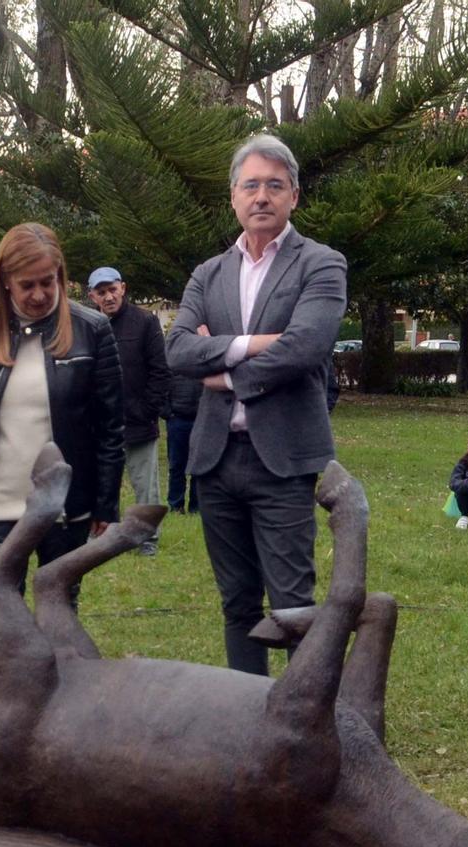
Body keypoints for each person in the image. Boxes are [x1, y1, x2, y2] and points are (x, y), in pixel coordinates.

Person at [165, 134, 348, 675]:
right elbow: (177, 348)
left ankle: (304, 724)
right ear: (233, 197)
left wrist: (222, 373)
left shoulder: (322, 264)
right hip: (216, 460)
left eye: (275, 185)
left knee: (293, 604)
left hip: (284, 462)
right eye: (251, 185)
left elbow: (307, 347)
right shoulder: (208, 273)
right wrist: (256, 344)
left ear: (294, 195)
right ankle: (248, 722)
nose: (262, 196)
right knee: (237, 603)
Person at [0, 224, 124, 598]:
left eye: (49, 282)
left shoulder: (92, 330)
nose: (40, 295)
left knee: (59, 612)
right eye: (28, 285)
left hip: (65, 504)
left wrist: (105, 502)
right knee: (2, 615)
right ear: (5, 281)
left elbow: (110, 425)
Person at [87, 266, 170, 556]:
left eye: (112, 289)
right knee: (98, 482)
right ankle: (99, 535)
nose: (108, 296)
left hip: (138, 421)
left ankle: (148, 538)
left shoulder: (145, 322)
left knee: (145, 486)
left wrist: (148, 410)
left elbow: (160, 371)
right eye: (101, 292)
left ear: (123, 288)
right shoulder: (88, 325)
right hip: (98, 423)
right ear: (92, 296)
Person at [166, 367, 201, 514]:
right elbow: (162, 386)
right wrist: (167, 413)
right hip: (177, 420)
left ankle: (196, 507)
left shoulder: (203, 362)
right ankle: (175, 506)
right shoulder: (172, 361)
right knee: (176, 466)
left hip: (200, 420)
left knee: (199, 467)